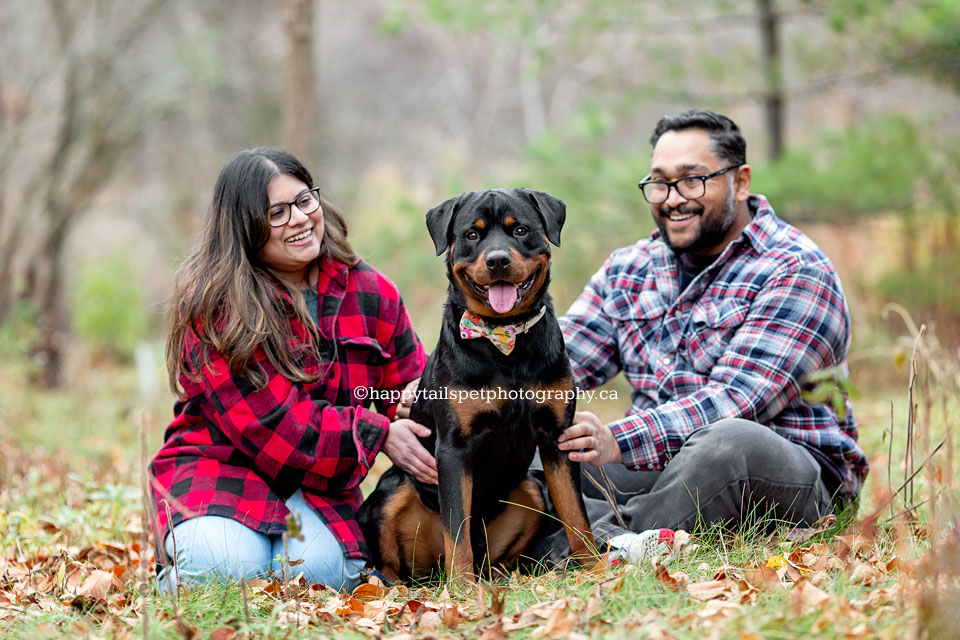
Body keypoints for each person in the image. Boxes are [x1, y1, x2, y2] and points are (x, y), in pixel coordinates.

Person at [532, 109, 868, 563]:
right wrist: (439, 391)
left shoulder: (795, 269)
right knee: (533, 440)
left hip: (785, 472)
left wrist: (615, 439)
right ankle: (621, 542)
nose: (672, 198)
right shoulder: (628, 268)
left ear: (741, 181)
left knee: (728, 443)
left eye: (692, 180)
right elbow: (552, 360)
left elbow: (736, 401)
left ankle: (591, 540)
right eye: (659, 182)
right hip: (661, 467)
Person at [149, 148, 436, 591]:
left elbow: (414, 388)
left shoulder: (371, 291)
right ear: (245, 227)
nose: (300, 219)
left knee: (320, 574)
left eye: (305, 201)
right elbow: (274, 429)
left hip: (319, 485)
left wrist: (430, 407)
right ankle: (181, 574)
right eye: (277, 213)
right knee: (226, 569)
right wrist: (376, 433)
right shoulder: (219, 304)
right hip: (221, 471)